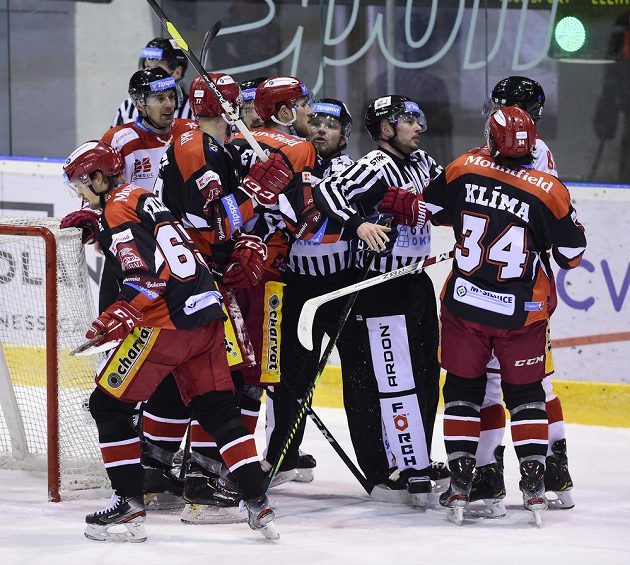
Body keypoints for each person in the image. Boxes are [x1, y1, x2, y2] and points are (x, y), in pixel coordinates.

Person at [60, 141, 279, 541]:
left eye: (80, 182)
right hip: (209, 316)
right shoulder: (144, 197)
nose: (79, 191)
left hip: (168, 324)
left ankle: (128, 507)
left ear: (97, 177)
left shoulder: (116, 209)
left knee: (107, 404)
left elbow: (144, 278)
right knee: (216, 408)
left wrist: (121, 312)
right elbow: (162, 248)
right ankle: (256, 500)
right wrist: (102, 226)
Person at [425, 107, 586, 526]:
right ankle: (536, 479)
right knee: (528, 394)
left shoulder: (463, 166)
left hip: (466, 304)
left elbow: (432, 209)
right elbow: (571, 256)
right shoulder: (549, 189)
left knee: (463, 390)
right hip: (522, 314)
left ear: (493, 139)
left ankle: (464, 478)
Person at [231, 78, 389, 484]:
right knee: (289, 378)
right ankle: (281, 454)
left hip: (344, 285)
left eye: (331, 125)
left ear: (345, 135)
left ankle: (379, 465)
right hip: (297, 286)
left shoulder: (351, 170)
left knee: (361, 378)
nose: (320, 128)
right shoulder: (286, 159)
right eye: (315, 120)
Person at [156, 72, 292, 523]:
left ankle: (161, 471)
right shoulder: (203, 149)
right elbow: (222, 222)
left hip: (186, 275)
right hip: (200, 279)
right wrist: (257, 192)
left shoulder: (192, 140)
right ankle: (201, 478)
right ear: (232, 106)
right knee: (222, 381)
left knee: (193, 380)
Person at [313, 95, 448, 506]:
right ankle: (393, 468)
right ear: (386, 129)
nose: (418, 127)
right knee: (389, 378)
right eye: (408, 120)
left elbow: (449, 201)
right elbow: (326, 192)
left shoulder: (424, 162)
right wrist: (359, 223)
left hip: (415, 280)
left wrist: (422, 208)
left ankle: (416, 457)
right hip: (378, 284)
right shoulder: (375, 166)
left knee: (426, 374)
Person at [472, 76, 575, 513]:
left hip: (511, 288)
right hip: (529, 286)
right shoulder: (537, 151)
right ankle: (556, 472)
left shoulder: (520, 153)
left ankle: (489, 476)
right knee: (536, 380)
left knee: (495, 385)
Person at [112, 38, 193, 127]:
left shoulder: (193, 110)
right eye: (147, 67)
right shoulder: (128, 107)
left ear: (177, 72)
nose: (150, 74)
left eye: (158, 69)